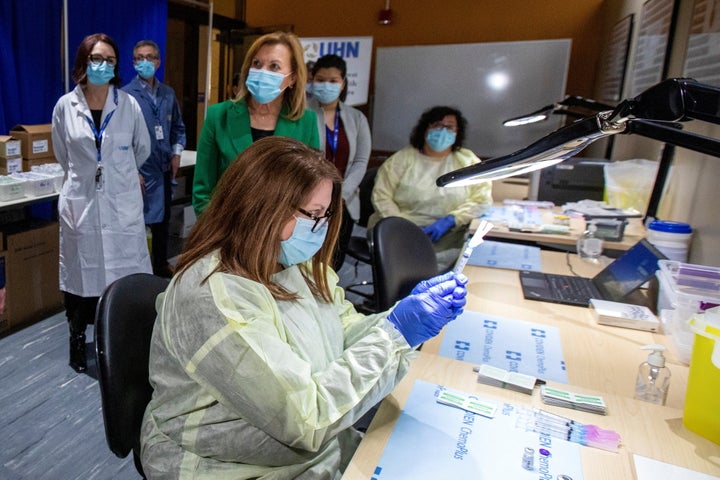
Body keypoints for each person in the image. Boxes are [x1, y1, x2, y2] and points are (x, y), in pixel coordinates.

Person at [140, 136, 468, 479]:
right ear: (260, 209)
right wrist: (395, 335)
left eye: (326, 214)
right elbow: (304, 417)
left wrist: (402, 322)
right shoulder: (213, 297)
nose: (321, 228)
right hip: (225, 466)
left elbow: (342, 335)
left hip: (307, 451)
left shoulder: (295, 266)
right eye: (313, 214)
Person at [51, 33, 152, 373]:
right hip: (82, 204)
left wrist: (117, 174)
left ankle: (122, 342)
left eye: (110, 60)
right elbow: (62, 154)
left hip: (120, 203)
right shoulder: (66, 106)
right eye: (96, 58)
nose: (103, 65)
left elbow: (143, 149)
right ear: (83, 62)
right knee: (80, 278)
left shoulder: (128, 105)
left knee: (125, 279)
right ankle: (77, 342)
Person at [192, 31, 320, 215]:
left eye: (274, 66)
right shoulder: (218, 115)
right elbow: (203, 188)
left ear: (292, 78)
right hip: (225, 229)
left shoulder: (306, 122)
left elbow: (310, 187)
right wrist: (214, 232)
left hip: (279, 232)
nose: (262, 72)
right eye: (257, 64)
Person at [371, 106, 493, 270]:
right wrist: (402, 227)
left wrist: (451, 220)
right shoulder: (401, 160)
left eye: (449, 126)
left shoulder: (467, 161)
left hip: (449, 237)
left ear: (458, 132)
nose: (443, 131)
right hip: (399, 235)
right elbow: (381, 197)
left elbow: (482, 199)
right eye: (437, 125)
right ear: (425, 128)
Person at [123, 39, 187, 278]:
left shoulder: (167, 94)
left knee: (162, 222)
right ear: (133, 63)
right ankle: (136, 270)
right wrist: (132, 170)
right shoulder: (126, 96)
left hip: (162, 170)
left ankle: (160, 265)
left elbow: (178, 128)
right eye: (139, 58)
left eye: (149, 57)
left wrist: (177, 154)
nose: (144, 62)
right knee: (136, 224)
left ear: (158, 62)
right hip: (139, 172)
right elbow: (120, 140)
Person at [308, 54, 372, 270]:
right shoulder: (301, 114)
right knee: (305, 261)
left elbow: (361, 160)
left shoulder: (357, 118)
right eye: (321, 79)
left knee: (333, 263)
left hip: (344, 204)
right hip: (308, 201)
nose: (326, 85)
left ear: (343, 83)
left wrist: (340, 195)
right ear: (312, 80)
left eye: (333, 80)